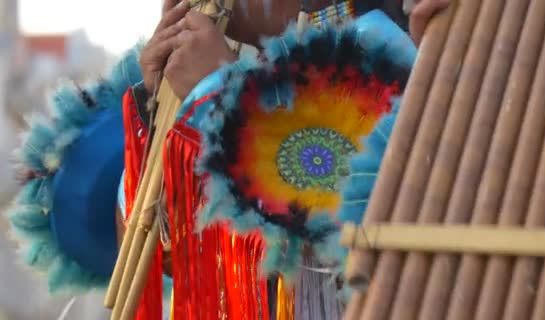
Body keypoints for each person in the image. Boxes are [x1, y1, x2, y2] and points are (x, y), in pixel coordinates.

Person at [6, 0, 450, 319]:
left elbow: (346, 219)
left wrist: (221, 93)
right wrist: (162, 109)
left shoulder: (388, 49)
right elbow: (162, 258)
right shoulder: (250, 63)